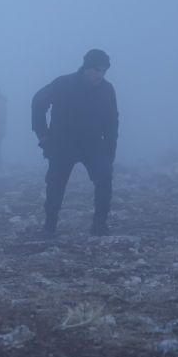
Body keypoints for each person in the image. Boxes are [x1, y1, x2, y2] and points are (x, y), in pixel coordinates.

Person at [31, 49, 118, 237]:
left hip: (94, 145)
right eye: (97, 69)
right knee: (56, 183)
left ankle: (99, 225)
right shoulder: (63, 84)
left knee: (104, 179)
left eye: (104, 71)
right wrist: (43, 137)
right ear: (85, 67)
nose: (100, 75)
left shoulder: (107, 89)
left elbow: (113, 122)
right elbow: (38, 102)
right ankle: (50, 226)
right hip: (63, 144)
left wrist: (110, 152)